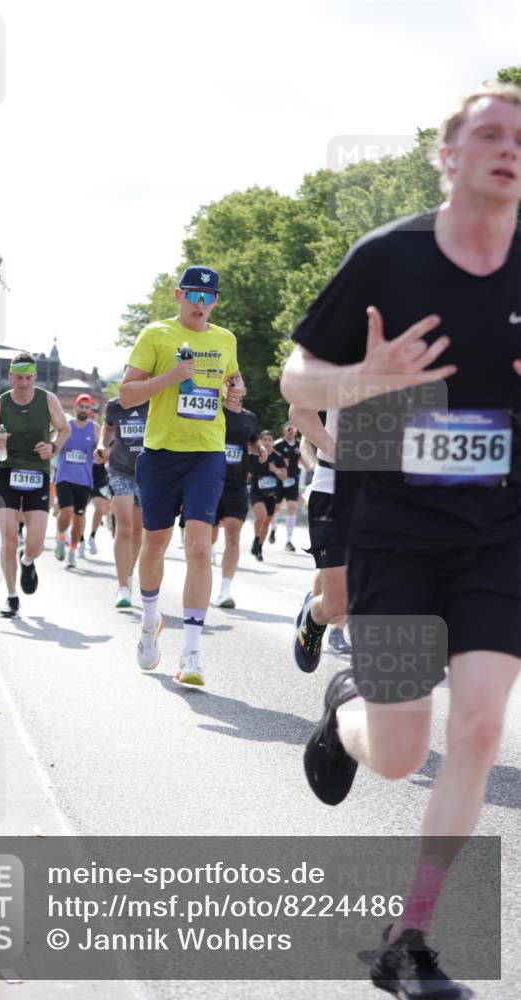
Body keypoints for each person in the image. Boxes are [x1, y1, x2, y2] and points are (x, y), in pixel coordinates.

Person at [281, 83, 521, 997]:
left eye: (519, 138)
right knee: (397, 754)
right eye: (488, 134)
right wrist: (362, 378)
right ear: (446, 155)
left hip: (500, 529)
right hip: (397, 529)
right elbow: (297, 375)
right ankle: (345, 706)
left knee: (481, 722)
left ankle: (409, 935)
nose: (507, 148)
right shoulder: (389, 257)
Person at [120, 265, 245, 687]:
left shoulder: (225, 339)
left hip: (206, 454)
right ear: (178, 295)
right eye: (194, 295)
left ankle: (191, 653)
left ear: (215, 302)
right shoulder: (156, 334)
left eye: (209, 298)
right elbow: (126, 395)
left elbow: (232, 387)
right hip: (160, 455)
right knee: (155, 543)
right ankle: (149, 620)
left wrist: (236, 394)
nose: (200, 304)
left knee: (199, 548)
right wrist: (172, 377)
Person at [0, 351, 70, 617]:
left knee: (35, 543)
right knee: (9, 538)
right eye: (19, 378)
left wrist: (53, 447)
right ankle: (12, 597)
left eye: (28, 378)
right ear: (10, 376)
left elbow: (65, 430)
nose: (23, 383)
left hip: (38, 474)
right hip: (7, 473)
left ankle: (27, 561)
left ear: (35, 377)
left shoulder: (48, 400)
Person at [290, 407, 351, 670]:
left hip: (393, 497)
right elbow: (300, 411)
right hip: (334, 488)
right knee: (338, 605)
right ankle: (315, 616)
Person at [99, 394, 149, 608]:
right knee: (125, 528)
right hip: (120, 470)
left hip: (147, 473)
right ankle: (122, 588)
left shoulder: (155, 401)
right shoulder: (114, 406)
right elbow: (108, 427)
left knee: (138, 532)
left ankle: (128, 576)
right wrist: (102, 444)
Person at [212, 399, 260, 608]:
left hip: (236, 485)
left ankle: (225, 589)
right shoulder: (213, 410)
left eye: (238, 383)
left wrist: (259, 450)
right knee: (206, 538)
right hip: (209, 482)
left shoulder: (249, 418)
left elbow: (252, 442)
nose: (233, 385)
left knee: (233, 534)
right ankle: (202, 576)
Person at [54, 393, 100, 568]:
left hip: (84, 481)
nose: (84, 410)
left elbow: (101, 450)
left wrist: (101, 449)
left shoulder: (95, 429)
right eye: (81, 406)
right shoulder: (67, 426)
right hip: (64, 477)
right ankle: (60, 537)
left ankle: (72, 551)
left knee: (79, 518)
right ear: (75, 407)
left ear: (91, 410)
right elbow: (55, 445)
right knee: (66, 512)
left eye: (87, 407)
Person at [248, 430, 286, 562]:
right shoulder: (253, 456)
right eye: (264, 439)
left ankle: (259, 547)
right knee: (261, 516)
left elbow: (284, 476)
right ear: (260, 441)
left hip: (272, 494)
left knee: (267, 522)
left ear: (273, 442)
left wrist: (275, 470)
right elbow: (246, 472)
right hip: (256, 492)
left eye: (270, 440)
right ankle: (256, 539)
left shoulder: (278, 457)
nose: (267, 442)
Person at [269, 422, 302, 550]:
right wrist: (280, 464)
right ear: (283, 431)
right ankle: (273, 528)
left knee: (292, 507)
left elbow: (303, 459)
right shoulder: (277, 445)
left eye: (293, 429)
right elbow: (269, 460)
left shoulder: (300, 444)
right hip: (279, 480)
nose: (291, 432)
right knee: (276, 507)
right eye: (288, 429)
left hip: (293, 479)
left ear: (296, 430)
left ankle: (289, 540)